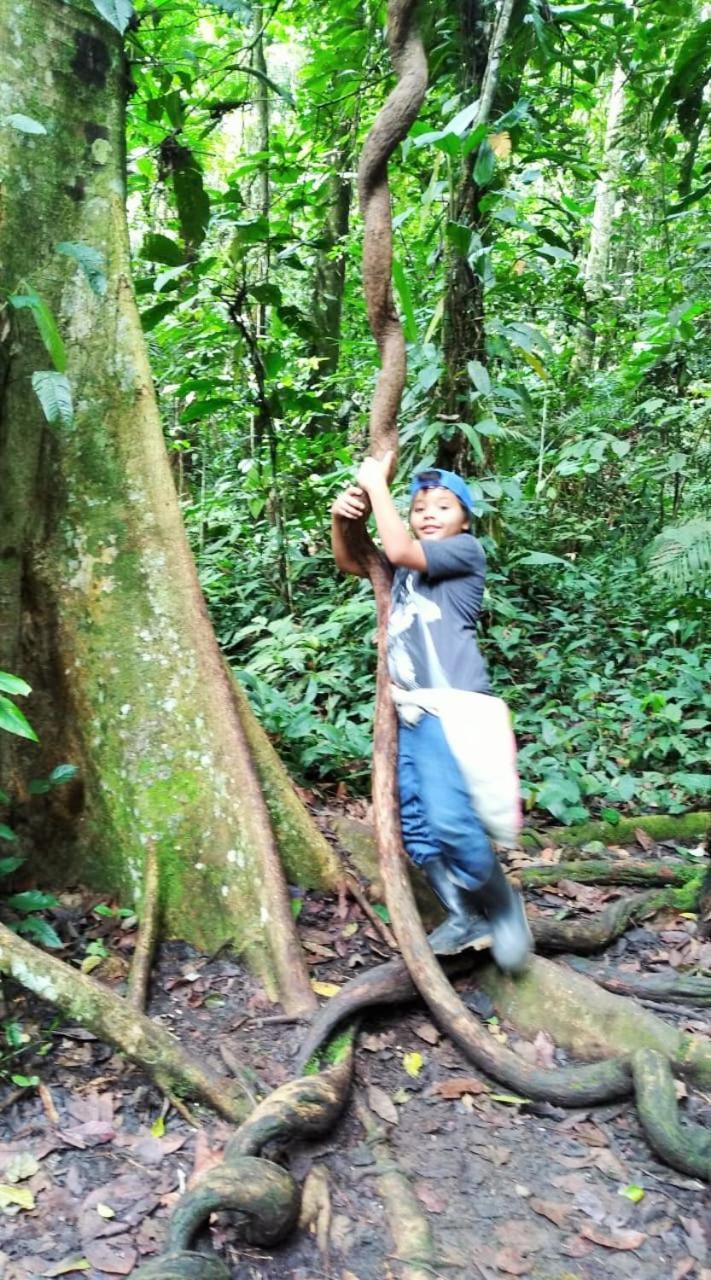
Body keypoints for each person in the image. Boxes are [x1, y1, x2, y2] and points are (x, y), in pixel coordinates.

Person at [331, 452, 532, 974]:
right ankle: (465, 914)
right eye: (419, 506)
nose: (428, 512)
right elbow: (354, 562)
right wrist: (340, 518)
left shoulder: (463, 552)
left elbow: (394, 545)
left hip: (453, 705)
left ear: (465, 519)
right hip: (412, 713)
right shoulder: (404, 569)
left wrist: (375, 483)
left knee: (450, 819)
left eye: (443, 505)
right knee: (417, 826)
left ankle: (504, 908)